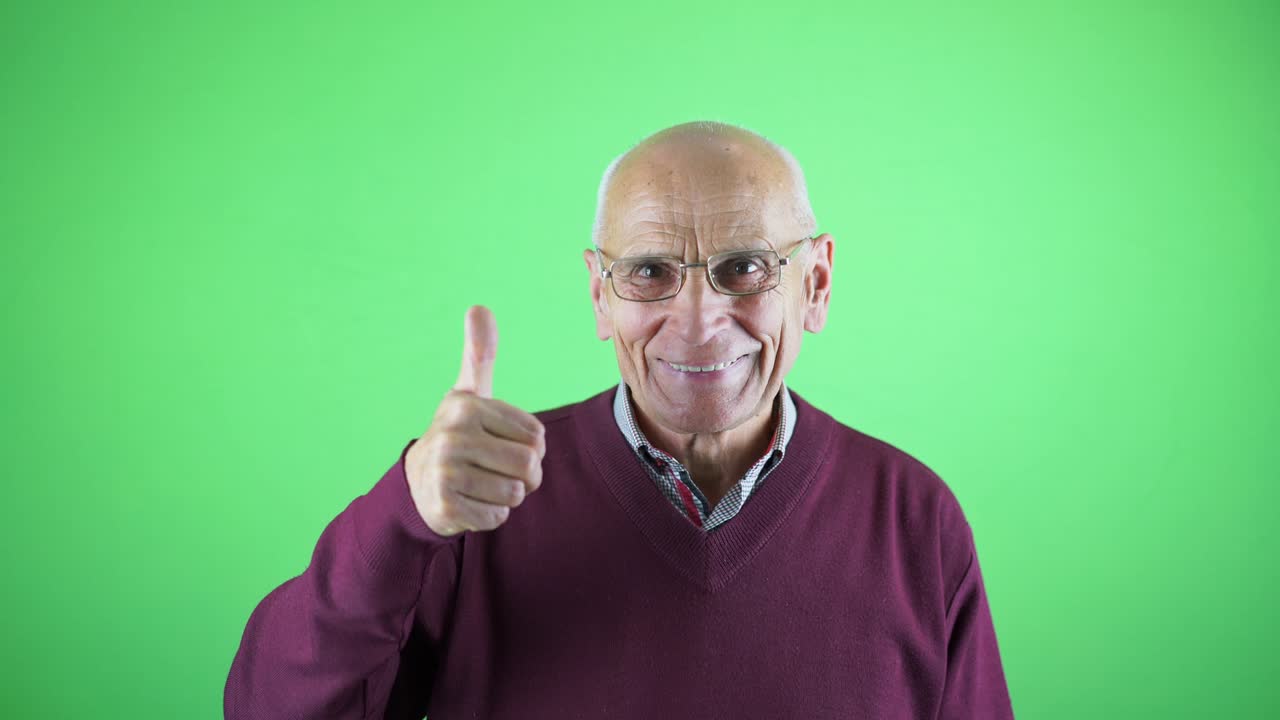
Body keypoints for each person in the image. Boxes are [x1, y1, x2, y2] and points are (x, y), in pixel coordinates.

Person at [224, 121, 1015, 719]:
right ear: (600, 295)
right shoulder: (475, 502)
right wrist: (404, 517)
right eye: (649, 272)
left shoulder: (914, 519)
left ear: (816, 284)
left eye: (745, 268)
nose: (698, 321)